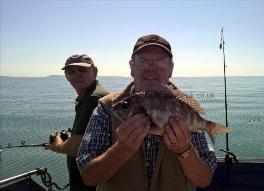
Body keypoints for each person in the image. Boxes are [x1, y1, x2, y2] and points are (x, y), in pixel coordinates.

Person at [76, 34, 217, 191]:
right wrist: (122, 149)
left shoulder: (182, 107)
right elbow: (88, 177)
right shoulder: (107, 108)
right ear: (131, 67)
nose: (151, 67)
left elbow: (204, 179)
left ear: (171, 68)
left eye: (161, 61)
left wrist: (184, 151)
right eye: (143, 61)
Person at [45, 54, 109, 191]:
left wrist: (57, 145)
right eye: (71, 71)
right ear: (66, 75)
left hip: (90, 184)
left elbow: (77, 147)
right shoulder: (90, 95)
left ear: (95, 71)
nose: (76, 75)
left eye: (82, 70)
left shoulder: (94, 99)